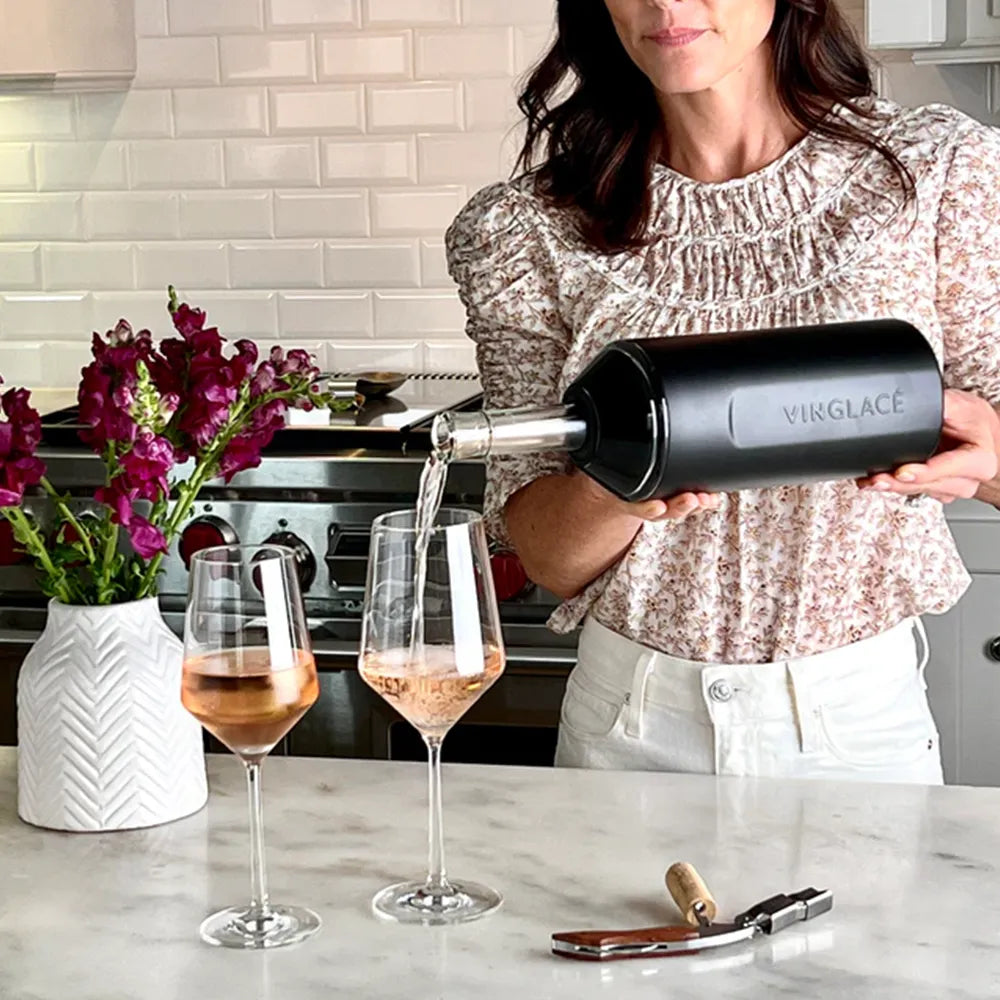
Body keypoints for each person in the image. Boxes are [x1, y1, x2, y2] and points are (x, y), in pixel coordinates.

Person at [444, 0, 1000, 784]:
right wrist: (622, 490)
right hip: (629, 727)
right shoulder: (528, 229)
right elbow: (545, 556)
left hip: (858, 726)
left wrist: (987, 453)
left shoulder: (935, 174)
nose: (666, 3)